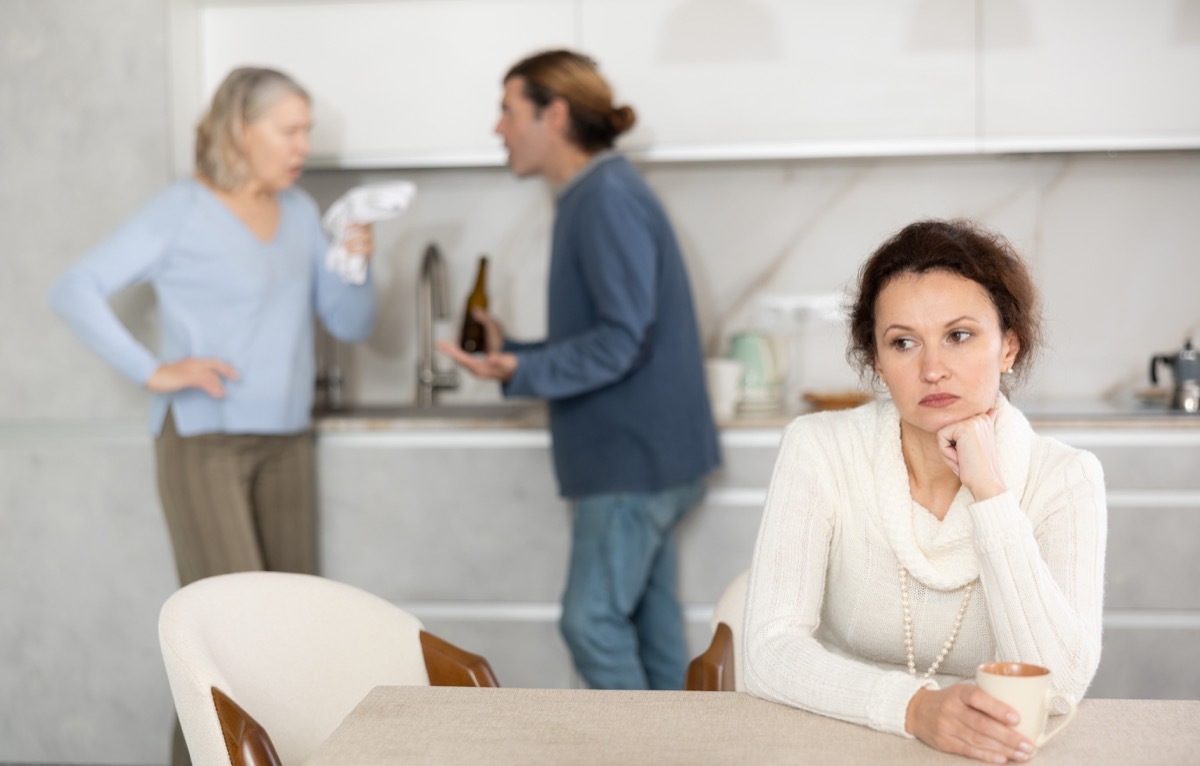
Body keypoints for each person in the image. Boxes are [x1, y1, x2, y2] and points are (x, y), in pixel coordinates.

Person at [741, 219, 1106, 764]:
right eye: (904, 343)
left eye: (959, 336)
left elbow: (1058, 691)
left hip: (989, 750)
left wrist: (991, 493)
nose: (933, 369)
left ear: (1008, 346)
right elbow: (767, 652)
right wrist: (913, 709)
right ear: (878, 362)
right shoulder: (818, 447)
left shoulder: (1066, 478)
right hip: (839, 736)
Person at [437, 49, 720, 691]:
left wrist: (523, 367)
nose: (497, 128)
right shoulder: (599, 194)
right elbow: (618, 334)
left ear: (555, 115)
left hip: (630, 463)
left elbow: (621, 339)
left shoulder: (602, 198)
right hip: (646, 457)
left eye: (508, 111)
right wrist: (521, 357)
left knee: (590, 622)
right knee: (650, 630)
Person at [50, 66, 377, 588]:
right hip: (204, 441)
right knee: (232, 625)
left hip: (288, 438)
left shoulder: (300, 213)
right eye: (289, 132)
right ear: (241, 130)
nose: (304, 147)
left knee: (300, 620)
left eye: (308, 131)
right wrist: (151, 371)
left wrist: (357, 266)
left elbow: (351, 324)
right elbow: (74, 288)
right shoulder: (181, 209)